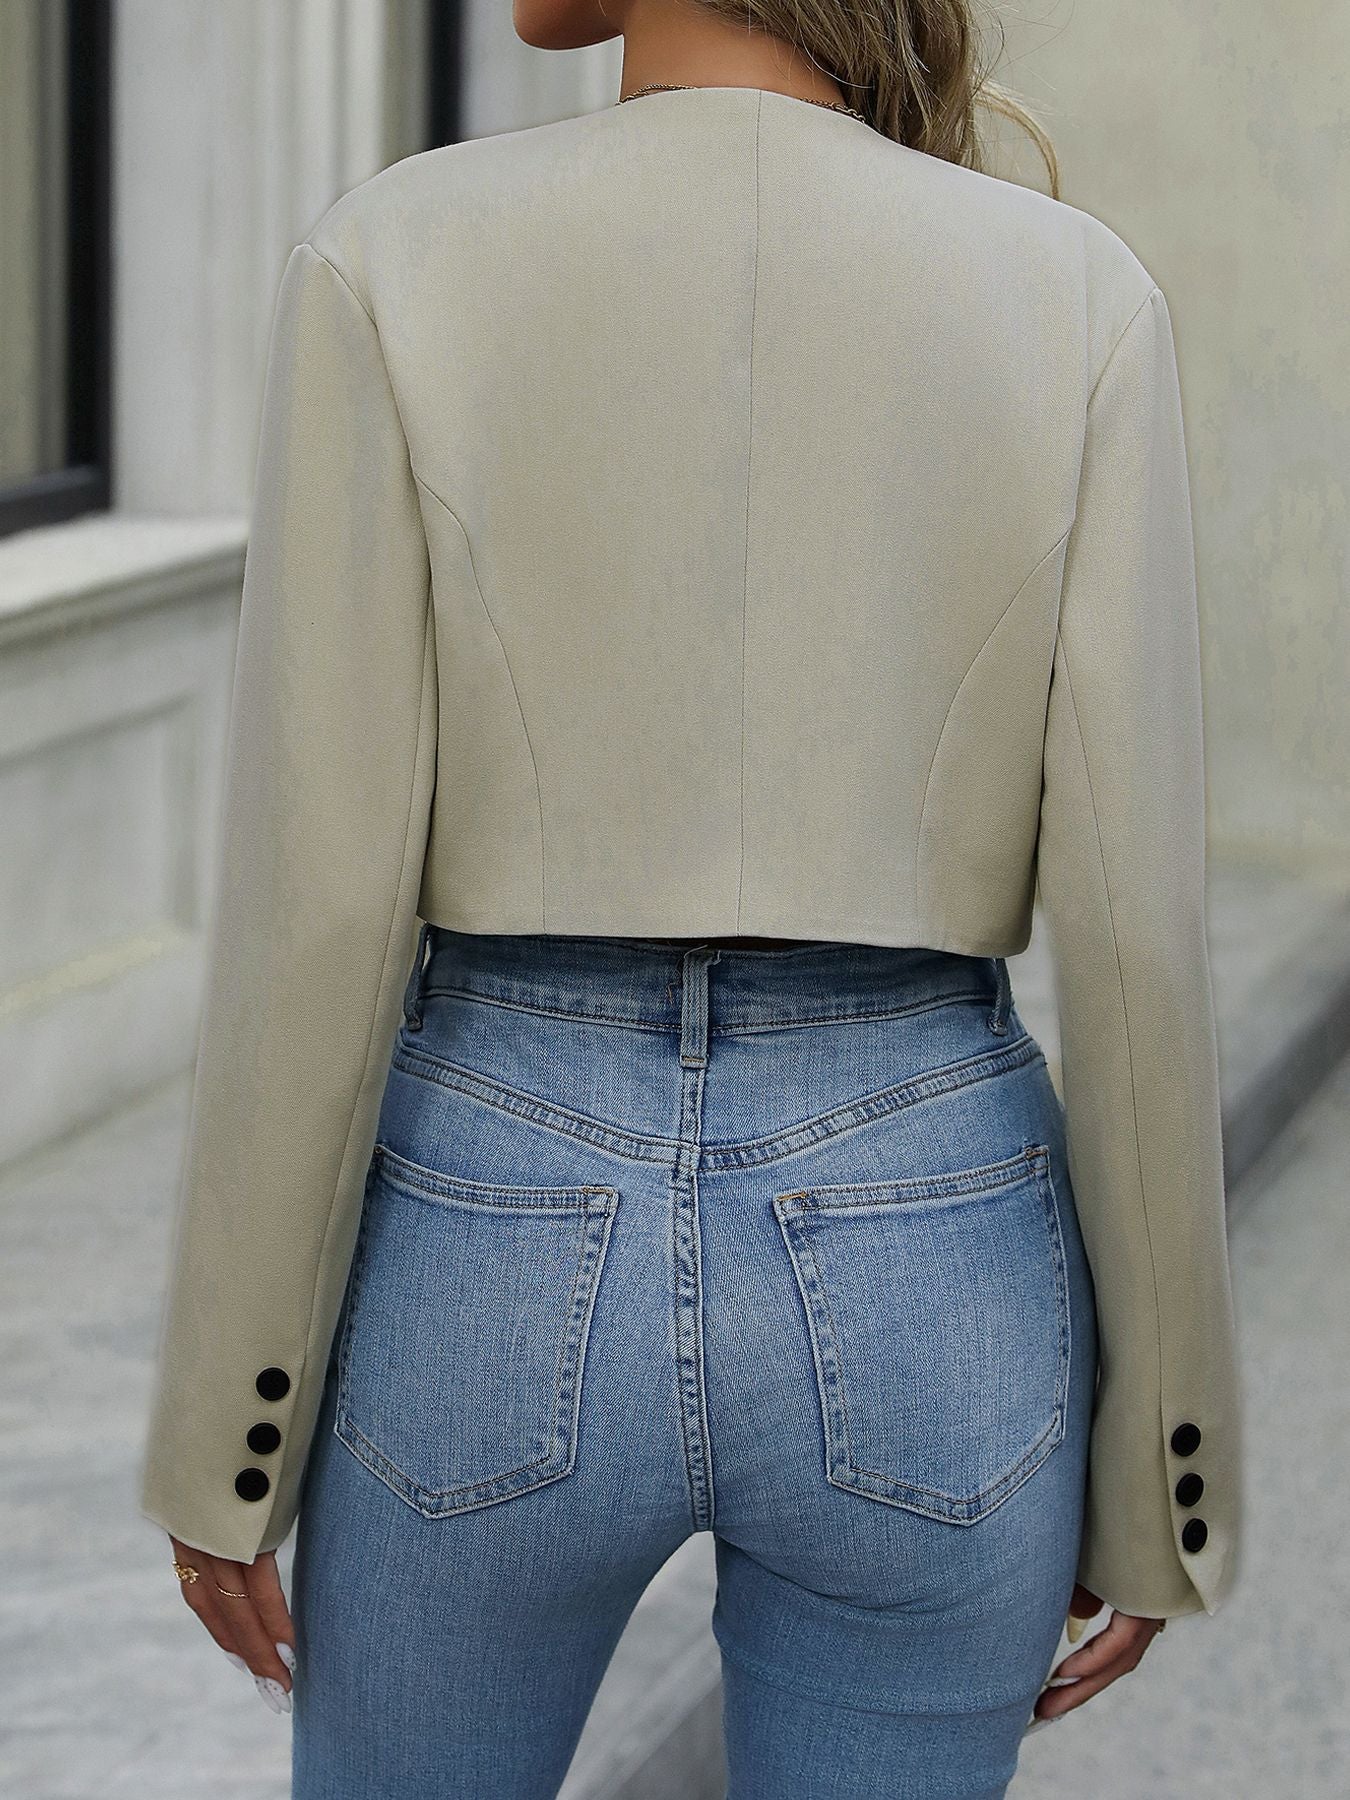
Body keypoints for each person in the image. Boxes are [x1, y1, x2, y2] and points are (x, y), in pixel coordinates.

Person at [138, 1, 1242, 1793]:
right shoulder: (1075, 293)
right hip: (925, 1216)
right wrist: (1166, 1466)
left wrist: (228, 1432)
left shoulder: (391, 255)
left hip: (496, 1207)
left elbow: (316, 902)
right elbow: (1136, 941)